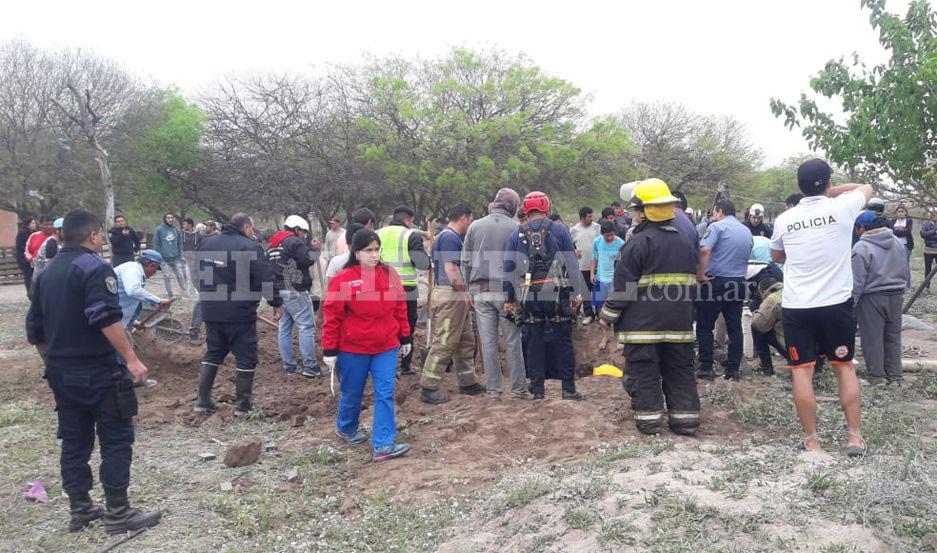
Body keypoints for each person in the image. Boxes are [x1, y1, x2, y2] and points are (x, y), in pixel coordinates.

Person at [25, 209, 161, 535]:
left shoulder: (45, 273)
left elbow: (35, 331)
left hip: (61, 374)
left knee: (74, 442)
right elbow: (105, 317)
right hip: (99, 373)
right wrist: (131, 358)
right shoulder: (95, 269)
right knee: (116, 440)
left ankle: (81, 509)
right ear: (95, 236)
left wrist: (53, 364)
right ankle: (118, 512)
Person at [769, 158, 873, 455]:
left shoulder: (785, 219)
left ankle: (812, 441)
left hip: (798, 305)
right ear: (829, 182)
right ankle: (854, 438)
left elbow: (777, 256)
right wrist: (829, 191)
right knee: (843, 367)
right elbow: (866, 187)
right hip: (836, 305)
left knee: (802, 371)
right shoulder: (842, 206)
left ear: (797, 186)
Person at [597, 178, 700, 435]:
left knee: (644, 373)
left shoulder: (640, 242)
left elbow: (624, 287)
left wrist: (607, 315)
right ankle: (685, 421)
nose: (633, 214)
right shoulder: (684, 241)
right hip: (679, 325)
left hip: (643, 328)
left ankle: (650, 421)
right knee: (680, 371)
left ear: (644, 211)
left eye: (635, 210)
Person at [322, 229, 412, 462]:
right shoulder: (344, 279)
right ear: (356, 252)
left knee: (385, 393)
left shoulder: (390, 274)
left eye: (377, 249)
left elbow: (400, 307)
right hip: (353, 348)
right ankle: (347, 427)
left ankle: (383, 444)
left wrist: (405, 336)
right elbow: (332, 314)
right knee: (352, 392)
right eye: (368, 250)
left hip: (385, 346)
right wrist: (329, 349)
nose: (374, 255)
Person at [193, 213, 282, 415]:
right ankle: (243, 405)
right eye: (253, 228)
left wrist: (207, 295)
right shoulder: (249, 247)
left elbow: (196, 274)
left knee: (214, 352)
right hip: (239, 313)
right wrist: (276, 302)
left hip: (211, 309)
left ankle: (202, 401)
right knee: (245, 355)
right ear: (247, 228)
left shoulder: (206, 244)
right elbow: (264, 277)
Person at [503, 191, 585, 401]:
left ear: (526, 210)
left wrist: (509, 299)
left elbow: (509, 268)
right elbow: (572, 263)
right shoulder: (559, 230)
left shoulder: (516, 234)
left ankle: (538, 391)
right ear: (546, 207)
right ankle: (568, 389)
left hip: (529, 296)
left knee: (534, 342)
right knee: (563, 342)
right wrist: (577, 292)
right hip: (558, 294)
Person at [461, 188, 528, 399]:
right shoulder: (517, 228)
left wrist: (468, 291)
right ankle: (518, 390)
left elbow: (466, 262)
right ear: (513, 206)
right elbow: (523, 265)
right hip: (507, 295)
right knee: (512, 341)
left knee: (488, 343)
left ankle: (493, 390)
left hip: (481, 293)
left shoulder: (475, 226)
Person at [420, 204, 485, 403]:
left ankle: (467, 381)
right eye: (471, 219)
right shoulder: (449, 238)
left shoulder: (447, 237)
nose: (471, 224)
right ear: (464, 217)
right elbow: (451, 270)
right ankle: (428, 387)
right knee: (446, 340)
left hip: (453, 295)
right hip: (451, 296)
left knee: (465, 340)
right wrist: (465, 294)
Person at [696, 200, 753, 381]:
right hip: (738, 282)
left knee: (705, 326)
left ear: (720, 211)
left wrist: (700, 274)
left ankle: (706, 368)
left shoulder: (716, 227)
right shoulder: (746, 230)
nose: (713, 216)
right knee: (734, 327)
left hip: (715, 282)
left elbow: (704, 250)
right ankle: (733, 370)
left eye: (714, 212)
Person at [853, 211, 906, 386]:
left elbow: (857, 281)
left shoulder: (861, 248)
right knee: (893, 337)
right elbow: (905, 270)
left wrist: (851, 305)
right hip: (896, 295)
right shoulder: (898, 243)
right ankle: (895, 377)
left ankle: (877, 377)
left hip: (872, 297)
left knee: (872, 338)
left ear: (861, 228)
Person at [377, 206, 431, 376]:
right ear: (408, 220)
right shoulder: (410, 235)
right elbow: (422, 263)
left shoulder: (377, 234)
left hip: (379, 289)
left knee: (383, 325)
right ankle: (405, 365)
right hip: (406, 289)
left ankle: (382, 363)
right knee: (406, 326)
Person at [267, 215, 323, 377]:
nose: (304, 235)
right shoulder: (294, 241)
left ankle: (289, 366)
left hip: (278, 291)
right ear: (296, 229)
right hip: (294, 290)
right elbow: (307, 259)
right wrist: (316, 249)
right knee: (306, 327)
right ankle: (310, 367)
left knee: (284, 329)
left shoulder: (273, 245)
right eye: (303, 232)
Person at [114, 250, 172, 330]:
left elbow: (133, 298)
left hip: (118, 319)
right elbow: (133, 291)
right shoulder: (132, 269)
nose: (154, 273)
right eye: (156, 269)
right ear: (152, 265)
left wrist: (133, 322)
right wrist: (158, 301)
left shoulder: (136, 271)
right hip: (110, 319)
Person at [590, 220, 624, 350]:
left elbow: (624, 264)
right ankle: (605, 335)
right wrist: (592, 273)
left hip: (614, 281)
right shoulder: (597, 242)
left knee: (617, 310)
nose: (609, 238)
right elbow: (594, 258)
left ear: (614, 233)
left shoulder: (621, 243)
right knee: (600, 310)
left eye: (611, 235)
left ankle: (618, 337)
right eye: (606, 236)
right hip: (599, 280)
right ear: (602, 235)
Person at [569, 207, 601, 324]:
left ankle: (599, 314)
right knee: (585, 292)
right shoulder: (574, 230)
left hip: (597, 265)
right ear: (582, 217)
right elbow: (568, 245)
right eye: (589, 216)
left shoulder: (597, 227)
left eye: (591, 216)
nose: (591, 218)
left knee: (598, 291)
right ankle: (589, 314)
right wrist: (574, 251)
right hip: (582, 266)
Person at [750, 277, 787, 365]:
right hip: (814, 346)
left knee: (756, 327)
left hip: (796, 348)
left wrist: (755, 311)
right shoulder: (790, 290)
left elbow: (759, 324)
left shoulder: (772, 298)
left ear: (763, 291)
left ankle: (766, 367)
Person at [153, 213, 187, 298]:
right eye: (168, 218)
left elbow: (180, 243)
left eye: (172, 218)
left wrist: (180, 254)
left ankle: (184, 292)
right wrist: (158, 256)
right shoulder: (159, 229)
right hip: (164, 258)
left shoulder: (176, 230)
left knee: (180, 275)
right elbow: (156, 244)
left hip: (176, 257)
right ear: (165, 219)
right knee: (166, 276)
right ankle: (170, 294)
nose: (170, 219)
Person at [890, 204, 914, 289]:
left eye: (902, 211)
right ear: (896, 213)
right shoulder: (893, 221)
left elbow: (907, 232)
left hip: (905, 245)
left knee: (905, 265)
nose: (900, 213)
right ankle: (897, 284)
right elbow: (891, 232)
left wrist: (897, 231)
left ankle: (907, 285)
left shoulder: (909, 221)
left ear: (905, 213)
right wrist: (901, 230)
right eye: (898, 211)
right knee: (895, 265)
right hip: (894, 245)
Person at [15, 217, 37, 292]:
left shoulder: (34, 233)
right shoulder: (22, 233)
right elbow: (20, 246)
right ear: (28, 224)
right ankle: (30, 292)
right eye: (32, 223)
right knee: (28, 276)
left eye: (34, 223)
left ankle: (35, 291)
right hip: (24, 259)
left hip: (33, 258)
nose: (34, 225)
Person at [920, 209, 937, 288]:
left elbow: (927, 235)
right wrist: (934, 231)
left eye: (935, 213)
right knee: (928, 269)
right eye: (932, 213)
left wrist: (929, 234)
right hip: (928, 250)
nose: (933, 215)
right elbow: (923, 234)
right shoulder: (925, 223)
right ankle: (927, 286)